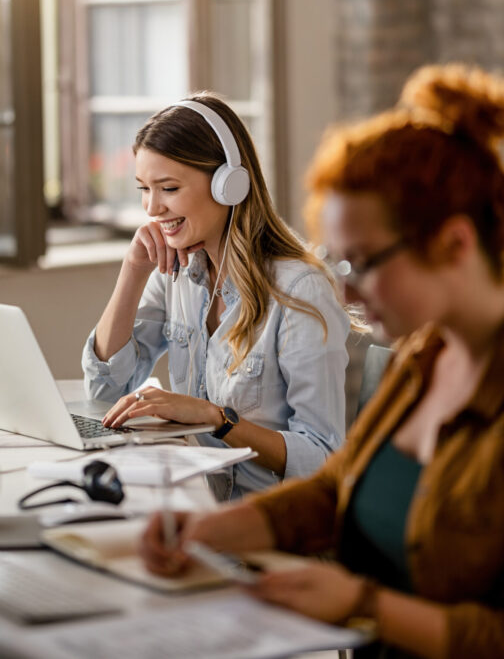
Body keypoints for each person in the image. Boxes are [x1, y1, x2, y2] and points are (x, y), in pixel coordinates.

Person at [139, 64, 504, 658]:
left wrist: (364, 606)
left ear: (455, 244)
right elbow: (338, 487)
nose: (346, 293)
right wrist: (209, 530)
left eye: (364, 263)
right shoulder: (426, 360)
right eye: (340, 262)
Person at [82, 91, 349, 499]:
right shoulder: (176, 272)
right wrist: (133, 271)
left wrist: (216, 419)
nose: (152, 208)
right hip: (194, 505)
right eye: (144, 189)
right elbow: (104, 390)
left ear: (230, 185)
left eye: (168, 188)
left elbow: (324, 457)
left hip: (266, 526)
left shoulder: (300, 290)